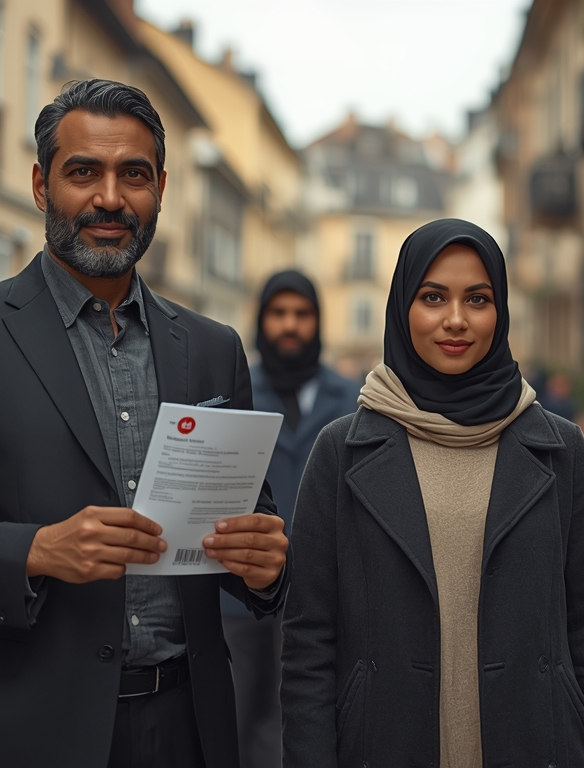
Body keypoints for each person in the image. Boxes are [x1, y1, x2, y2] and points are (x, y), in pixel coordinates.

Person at [0, 80, 288, 768]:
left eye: (133, 175)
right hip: (17, 732)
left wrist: (263, 569)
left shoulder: (212, 347)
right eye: (84, 171)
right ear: (41, 184)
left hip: (187, 729)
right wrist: (33, 552)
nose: (110, 199)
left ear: (162, 188)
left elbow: (238, 533)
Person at [281, 219, 584, 767]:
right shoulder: (341, 452)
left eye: (477, 299)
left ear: (499, 311)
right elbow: (309, 646)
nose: (456, 320)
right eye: (433, 297)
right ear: (403, 306)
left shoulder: (559, 448)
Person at [221, 270, 359, 768]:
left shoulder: (353, 399)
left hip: (325, 592)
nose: (290, 326)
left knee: (312, 717)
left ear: (318, 323)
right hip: (240, 593)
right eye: (278, 314)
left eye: (302, 314)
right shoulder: (230, 391)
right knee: (240, 718)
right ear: (261, 321)